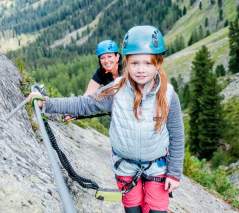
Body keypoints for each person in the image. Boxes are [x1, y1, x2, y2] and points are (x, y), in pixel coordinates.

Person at [28, 25, 185, 213]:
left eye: (148, 63)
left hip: (157, 168)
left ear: (158, 63)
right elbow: (84, 103)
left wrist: (174, 173)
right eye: (135, 63)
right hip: (126, 169)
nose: (141, 70)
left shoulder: (168, 94)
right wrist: (47, 103)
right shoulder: (115, 90)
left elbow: (177, 134)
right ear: (127, 62)